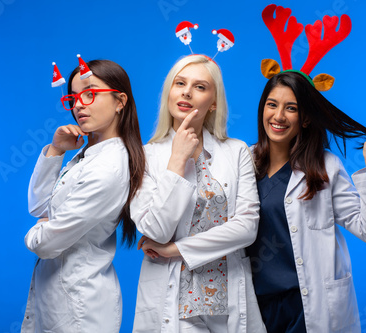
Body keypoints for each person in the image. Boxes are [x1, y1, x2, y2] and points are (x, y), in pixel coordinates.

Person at [130, 55, 266, 333]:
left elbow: (246, 228)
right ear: (169, 92)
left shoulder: (236, 150)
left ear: (214, 102)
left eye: (200, 86)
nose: (187, 92)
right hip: (174, 302)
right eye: (180, 83)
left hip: (227, 294)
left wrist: (175, 249)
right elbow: (154, 229)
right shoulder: (145, 156)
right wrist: (176, 162)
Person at [247, 70, 366, 333]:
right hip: (256, 303)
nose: (279, 116)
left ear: (306, 118)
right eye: (272, 104)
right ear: (262, 108)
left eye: (291, 108)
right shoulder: (244, 161)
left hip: (308, 305)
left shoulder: (326, 167)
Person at [21, 59, 145, 333]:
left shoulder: (109, 167)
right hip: (57, 297)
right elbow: (38, 206)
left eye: (90, 93)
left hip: (80, 307)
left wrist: (38, 231)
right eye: (73, 97)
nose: (78, 105)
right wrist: (55, 151)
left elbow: (46, 244)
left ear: (119, 101)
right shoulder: (86, 154)